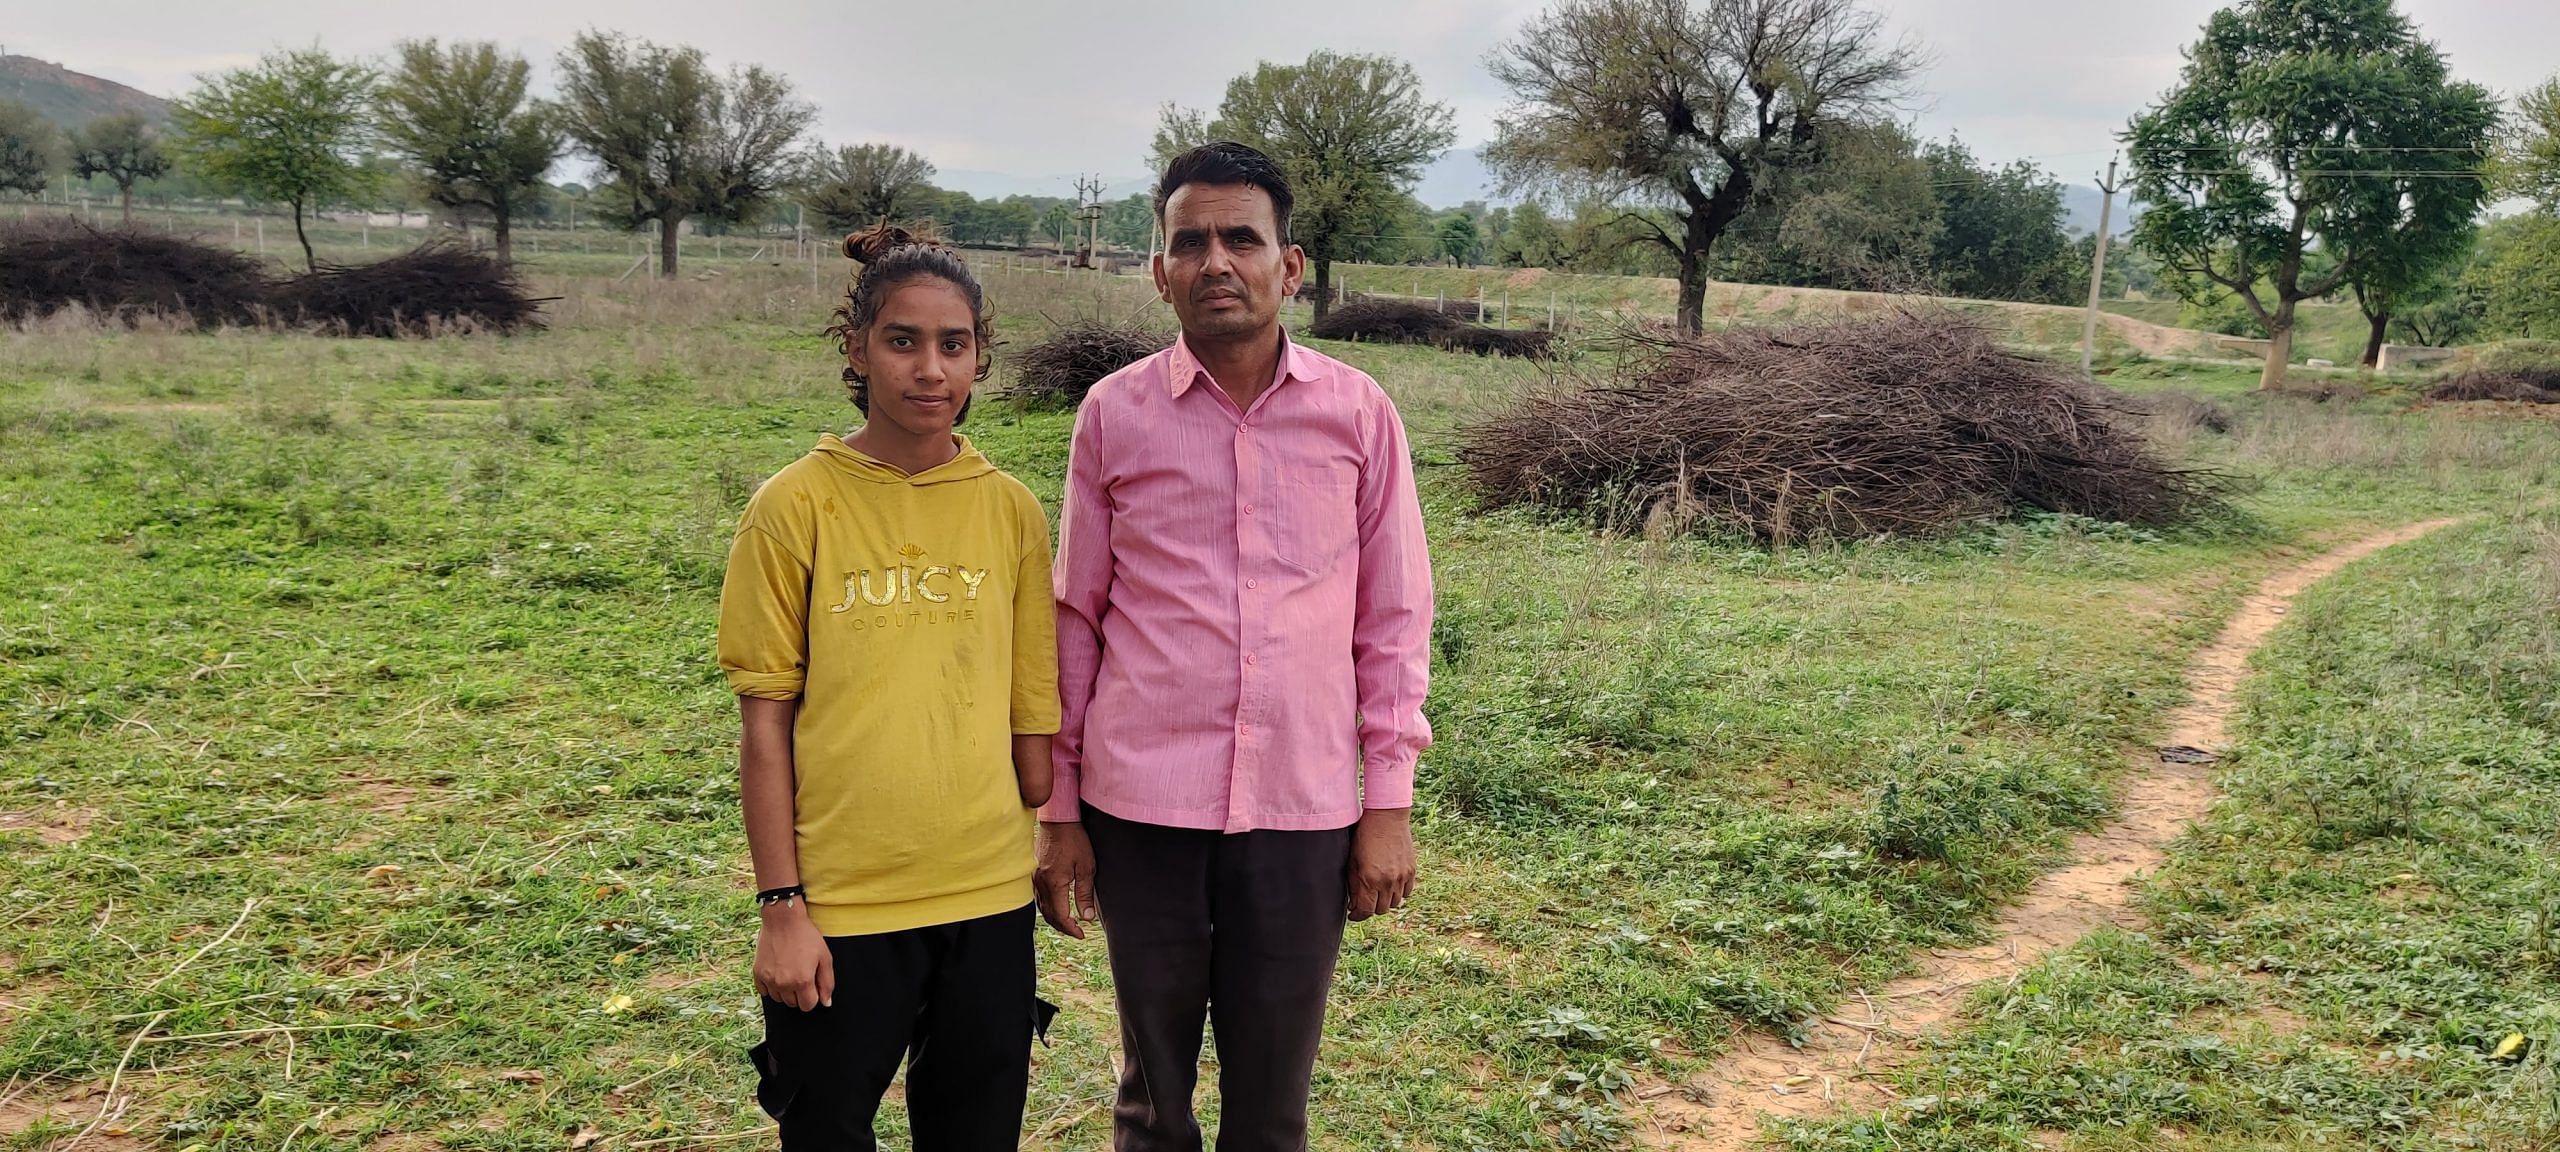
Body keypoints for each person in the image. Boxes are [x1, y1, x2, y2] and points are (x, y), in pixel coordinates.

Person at [1034, 141, 1436, 1151]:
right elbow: (1074, 620)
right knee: (1150, 1099)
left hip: (1302, 815)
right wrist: (1061, 810)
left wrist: (1386, 804)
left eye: (1240, 239)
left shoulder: (1358, 415)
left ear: (1287, 266)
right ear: (1159, 270)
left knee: (1271, 1108)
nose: (1216, 260)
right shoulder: (1113, 417)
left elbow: (1391, 618)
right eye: (1190, 242)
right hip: (1141, 810)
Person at [718, 225, 1060, 1151]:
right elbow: (764, 733)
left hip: (987, 900)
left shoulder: (1012, 511)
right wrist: (782, 909)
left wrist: (1056, 841)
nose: (928, 369)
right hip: (843, 906)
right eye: (902, 340)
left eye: (954, 345)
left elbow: (1037, 732)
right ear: (857, 348)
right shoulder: (795, 507)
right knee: (826, 1130)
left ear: (981, 357)